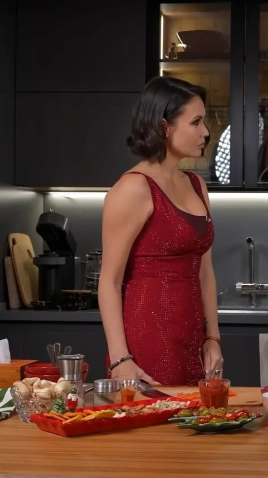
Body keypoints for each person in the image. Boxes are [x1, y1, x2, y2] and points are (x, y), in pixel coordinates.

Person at [99, 76, 223, 386]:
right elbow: (109, 282)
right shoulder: (133, 188)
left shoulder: (196, 185)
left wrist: (213, 338)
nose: (206, 132)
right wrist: (120, 360)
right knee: (156, 418)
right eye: (196, 122)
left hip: (193, 341)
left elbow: (205, 271)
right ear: (164, 126)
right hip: (147, 341)